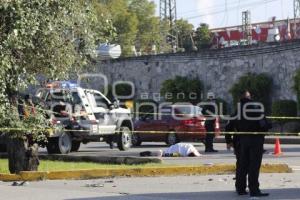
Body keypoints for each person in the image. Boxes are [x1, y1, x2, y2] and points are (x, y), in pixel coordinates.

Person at [234, 90, 270, 197]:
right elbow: (263, 124)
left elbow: (231, 124)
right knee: (254, 166)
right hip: (255, 140)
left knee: (242, 165)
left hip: (242, 140)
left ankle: (240, 189)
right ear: (249, 97)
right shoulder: (255, 107)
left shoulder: (238, 110)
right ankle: (254, 190)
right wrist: (268, 126)